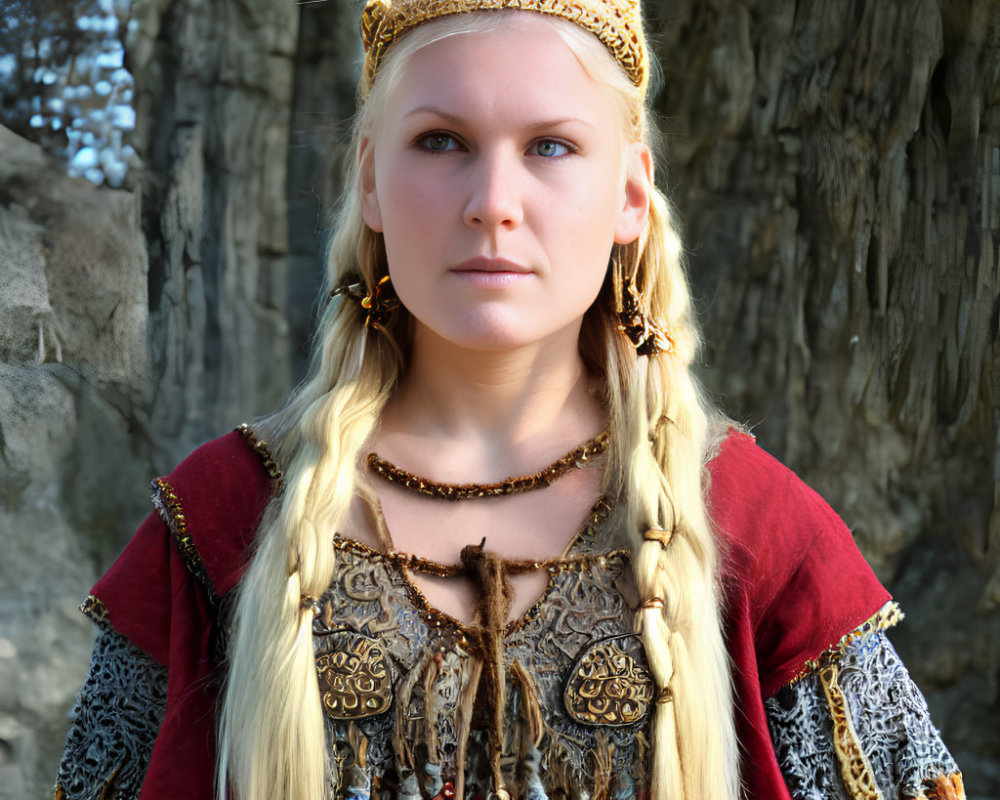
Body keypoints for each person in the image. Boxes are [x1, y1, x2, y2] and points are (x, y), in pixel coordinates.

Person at [54, 2, 965, 799]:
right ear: (370, 178)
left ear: (631, 196)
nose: (494, 202)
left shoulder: (758, 535)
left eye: (551, 147)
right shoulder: (218, 524)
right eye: (441, 141)